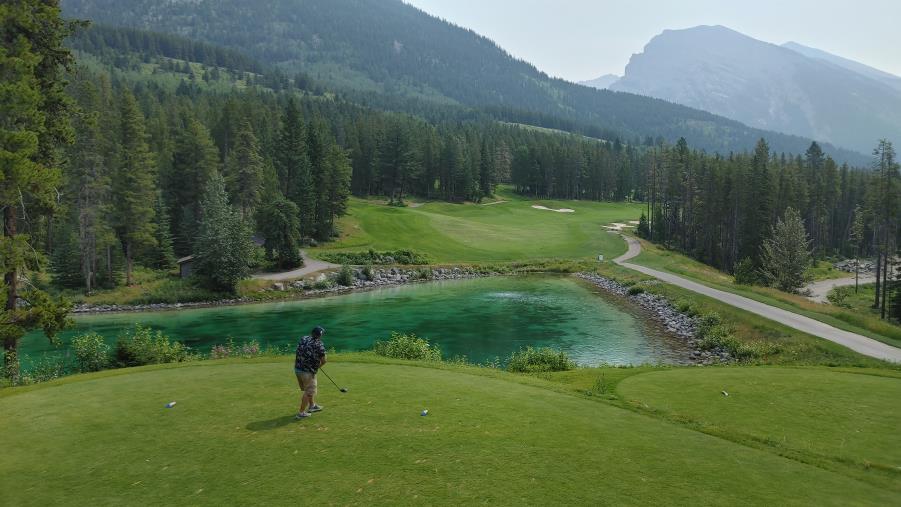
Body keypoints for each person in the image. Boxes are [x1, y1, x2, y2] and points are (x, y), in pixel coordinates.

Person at [294, 326, 327, 419]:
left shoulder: (304, 338)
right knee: (309, 391)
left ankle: (312, 406)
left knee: (308, 390)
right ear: (320, 336)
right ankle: (301, 413)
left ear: (312, 333)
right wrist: (317, 367)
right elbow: (324, 360)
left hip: (297, 369)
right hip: (307, 372)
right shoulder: (319, 344)